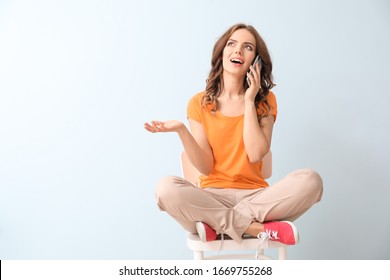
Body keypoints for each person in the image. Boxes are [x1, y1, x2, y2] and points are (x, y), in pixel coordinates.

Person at [144, 23, 323, 247]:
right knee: (165, 188)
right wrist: (182, 130)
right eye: (232, 44)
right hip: (211, 197)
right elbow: (206, 168)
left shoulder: (265, 101)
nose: (238, 50)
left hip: (255, 199)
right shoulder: (199, 103)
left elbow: (256, 153)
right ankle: (253, 229)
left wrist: (249, 100)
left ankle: (219, 225)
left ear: (256, 61)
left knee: (311, 181)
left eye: (247, 47)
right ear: (221, 54)